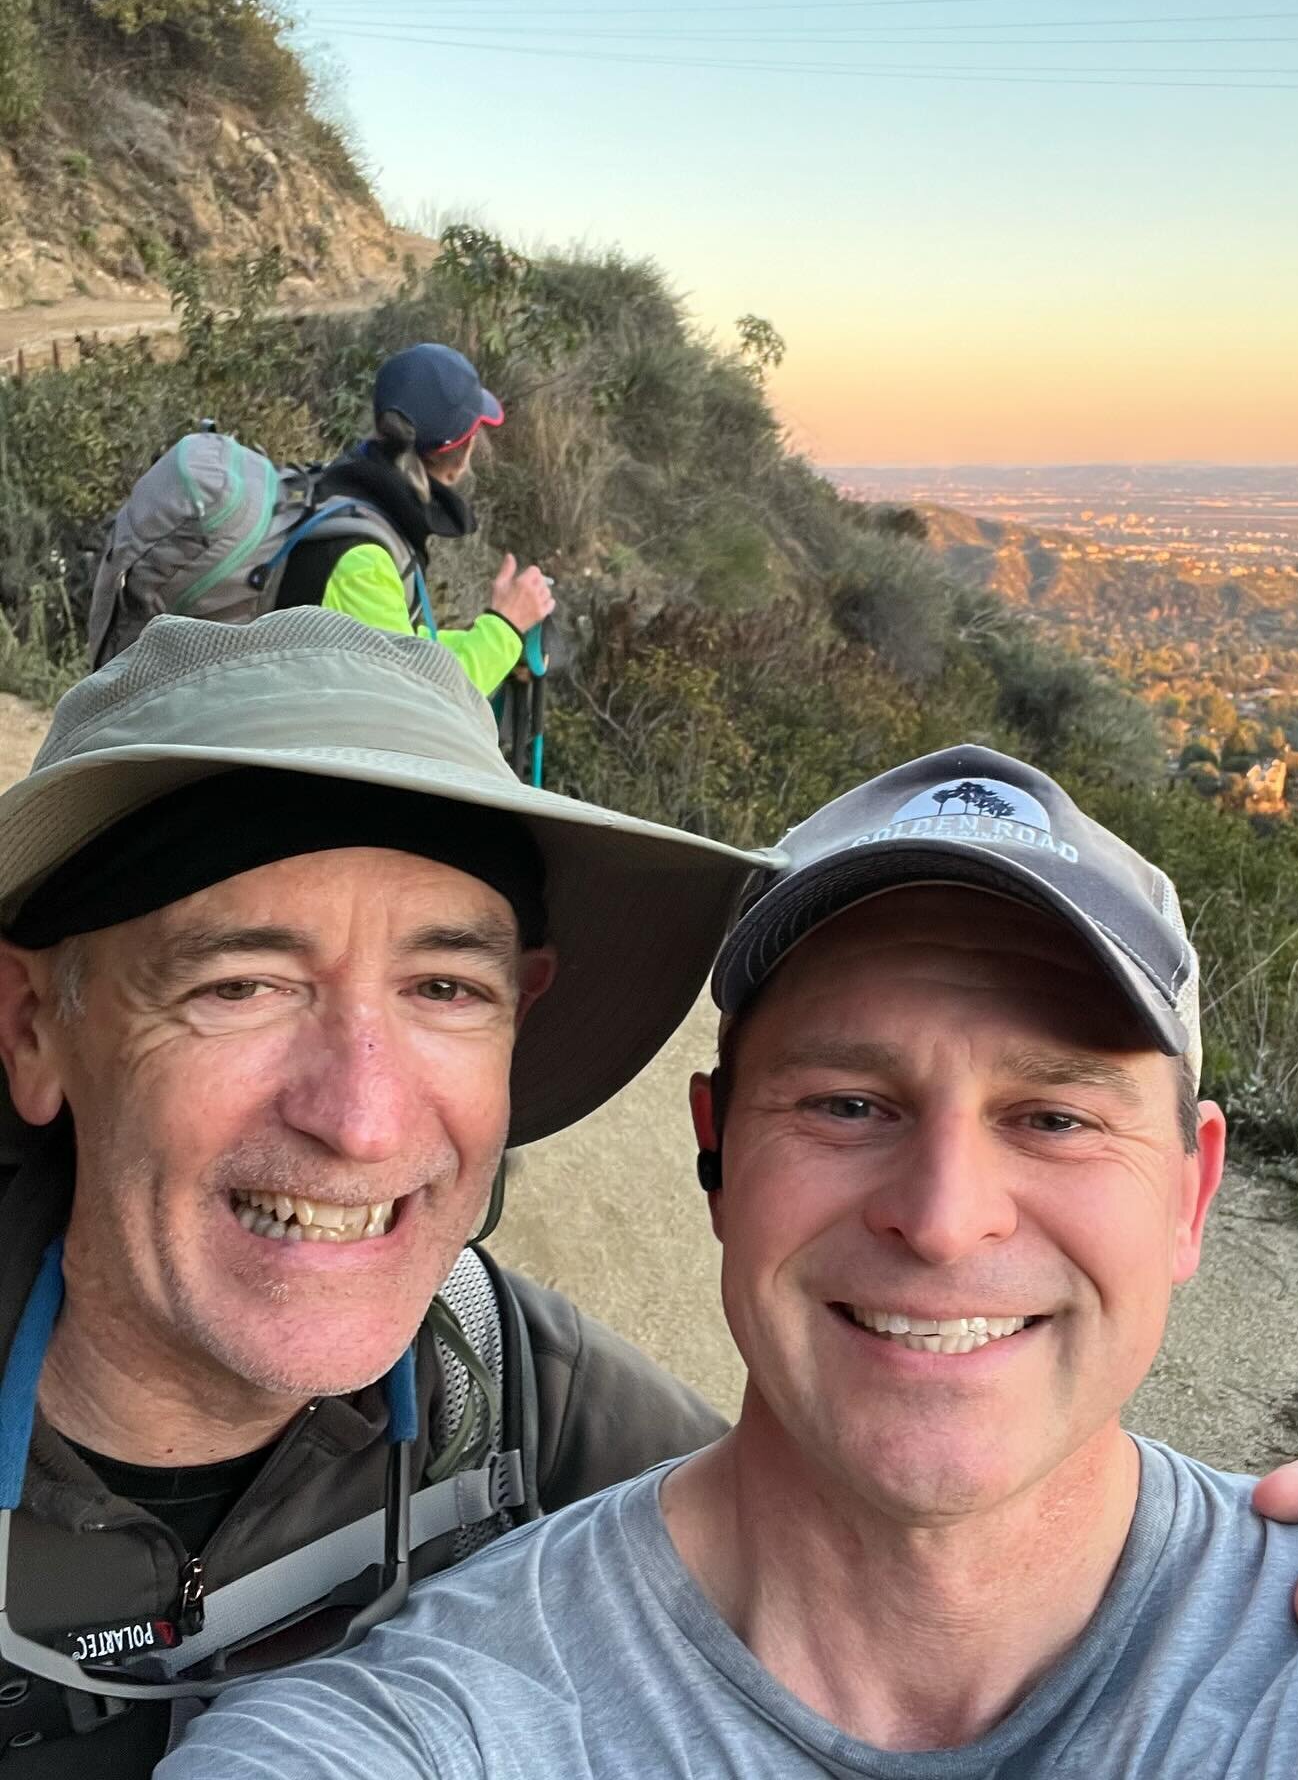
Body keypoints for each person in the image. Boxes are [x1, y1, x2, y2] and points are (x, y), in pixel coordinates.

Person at [163, 745, 1298, 1779]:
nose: (943, 1220)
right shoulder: (425, 1730)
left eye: (1053, 1117)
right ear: (718, 1158)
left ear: (1191, 1193)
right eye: (846, 1104)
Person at [0, 607, 776, 1775]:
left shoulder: (512, 1395)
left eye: (446, 990)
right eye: (242, 985)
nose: (359, 1120)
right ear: (32, 1030)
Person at [276, 341, 554, 697]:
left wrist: (495, 641)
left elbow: (400, 642)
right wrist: (505, 629)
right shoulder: (363, 558)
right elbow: (416, 702)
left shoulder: (346, 491)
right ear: (463, 453)